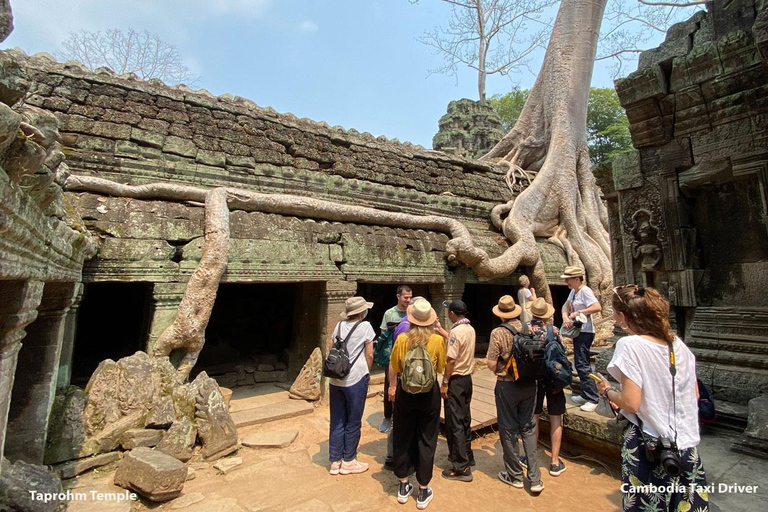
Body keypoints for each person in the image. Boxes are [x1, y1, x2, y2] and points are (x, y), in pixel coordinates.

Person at [595, 285, 708, 511]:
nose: (616, 321)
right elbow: (694, 394)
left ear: (625, 316)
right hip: (685, 445)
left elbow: (630, 402)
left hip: (647, 445)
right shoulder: (678, 345)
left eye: (616, 315)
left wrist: (607, 391)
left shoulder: (630, 345)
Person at [388, 300, 446, 509]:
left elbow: (395, 366)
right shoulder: (438, 340)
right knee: (427, 438)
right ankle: (423, 489)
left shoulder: (403, 338)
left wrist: (392, 387)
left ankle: (403, 485)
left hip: (406, 392)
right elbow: (440, 367)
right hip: (429, 394)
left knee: (403, 435)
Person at [486, 295, 544, 494]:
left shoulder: (498, 333)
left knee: (508, 428)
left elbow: (492, 364)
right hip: (530, 384)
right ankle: (535, 478)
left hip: (507, 385)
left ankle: (515, 475)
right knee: (528, 428)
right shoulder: (529, 329)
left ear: (501, 315)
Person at [328, 296, 376, 476]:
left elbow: (333, 347)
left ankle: (335, 461)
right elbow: (369, 354)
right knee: (353, 420)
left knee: (337, 418)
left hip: (336, 379)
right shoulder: (365, 327)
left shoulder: (339, 325)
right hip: (356, 378)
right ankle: (349, 460)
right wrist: (367, 372)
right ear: (362, 311)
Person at [528, 297, 567, 476]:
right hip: (554, 380)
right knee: (555, 418)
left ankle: (531, 457)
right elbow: (563, 352)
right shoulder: (554, 330)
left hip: (535, 379)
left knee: (534, 417)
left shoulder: (527, 330)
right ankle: (554, 461)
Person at [439, 299, 476, 482]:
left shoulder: (455, 331)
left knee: (454, 422)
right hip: (467, 379)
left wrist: (445, 382)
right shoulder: (469, 329)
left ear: (453, 313)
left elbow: (451, 360)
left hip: (456, 380)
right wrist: (441, 331)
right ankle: (468, 455)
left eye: (449, 311)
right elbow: (457, 343)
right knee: (465, 418)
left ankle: (461, 467)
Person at [560, 266, 602, 412]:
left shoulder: (585, 291)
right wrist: (566, 316)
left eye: (568, 279)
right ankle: (585, 393)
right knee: (579, 363)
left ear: (577, 279)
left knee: (583, 364)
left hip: (586, 331)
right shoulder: (574, 291)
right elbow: (565, 306)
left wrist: (578, 312)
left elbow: (597, 307)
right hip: (578, 331)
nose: (566, 282)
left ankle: (593, 398)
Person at [379, 285, 413, 433]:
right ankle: (388, 416)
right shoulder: (390, 313)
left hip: (411, 356)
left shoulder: (413, 312)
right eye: (406, 297)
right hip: (393, 356)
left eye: (410, 297)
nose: (408, 300)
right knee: (390, 386)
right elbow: (383, 334)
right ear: (398, 296)